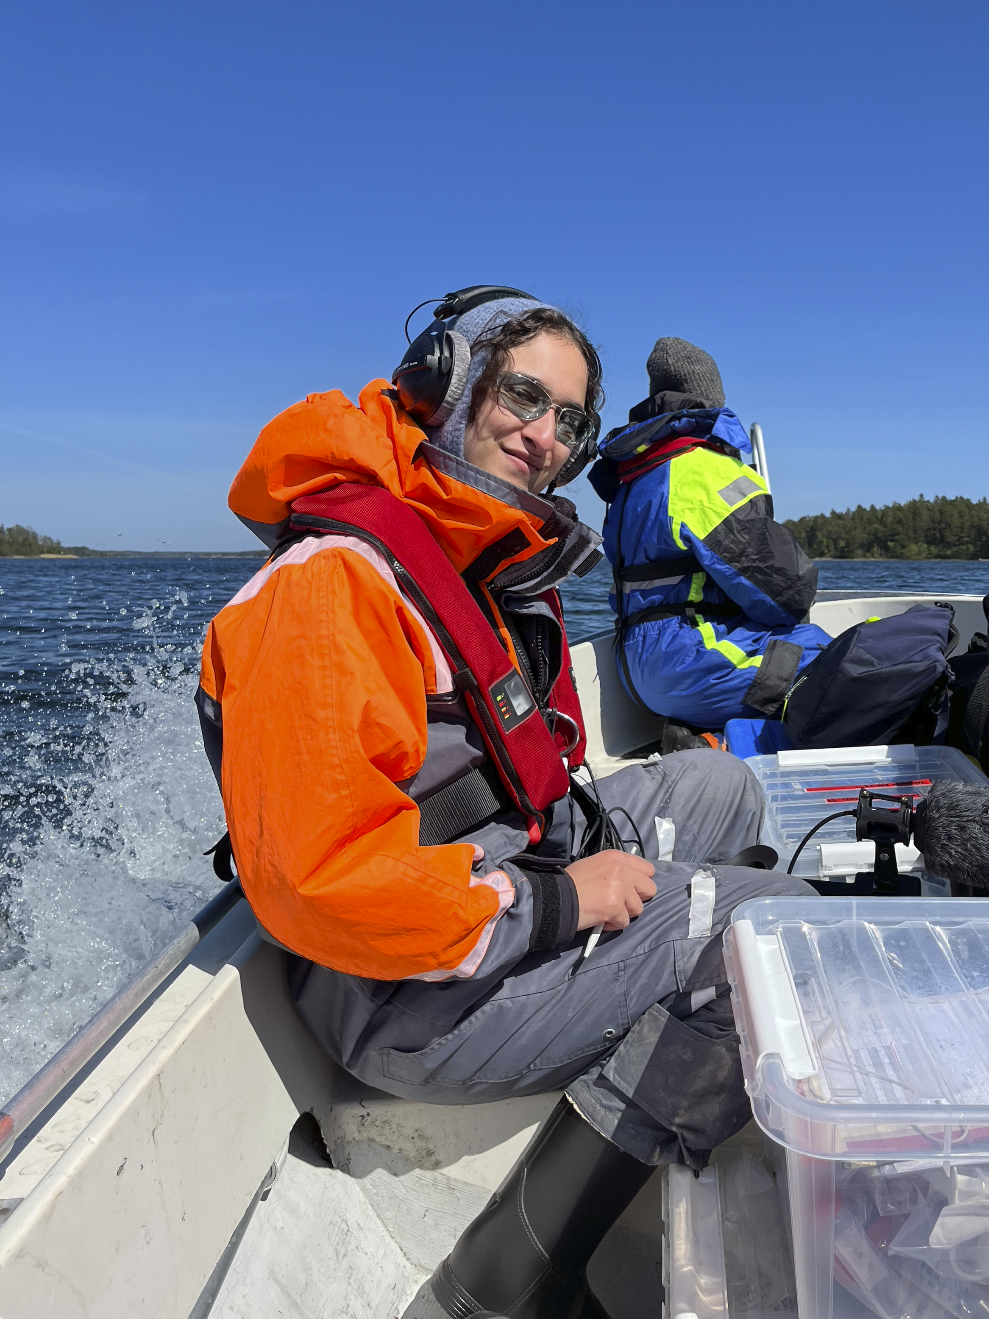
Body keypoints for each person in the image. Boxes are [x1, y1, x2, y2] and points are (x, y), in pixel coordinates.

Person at [197, 288, 811, 1319]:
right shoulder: (329, 590)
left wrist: (578, 872)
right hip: (407, 994)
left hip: (492, 894)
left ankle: (678, 991)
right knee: (752, 934)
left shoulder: (477, 560)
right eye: (522, 394)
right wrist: (566, 903)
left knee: (720, 782)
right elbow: (322, 882)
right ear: (445, 382)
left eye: (568, 419)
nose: (543, 435)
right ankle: (507, 1277)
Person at [590, 337, 832, 737]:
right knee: (839, 660)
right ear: (712, 400)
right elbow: (787, 595)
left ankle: (704, 738)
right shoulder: (702, 471)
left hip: (636, 668)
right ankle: (723, 748)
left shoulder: (635, 475)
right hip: (698, 663)